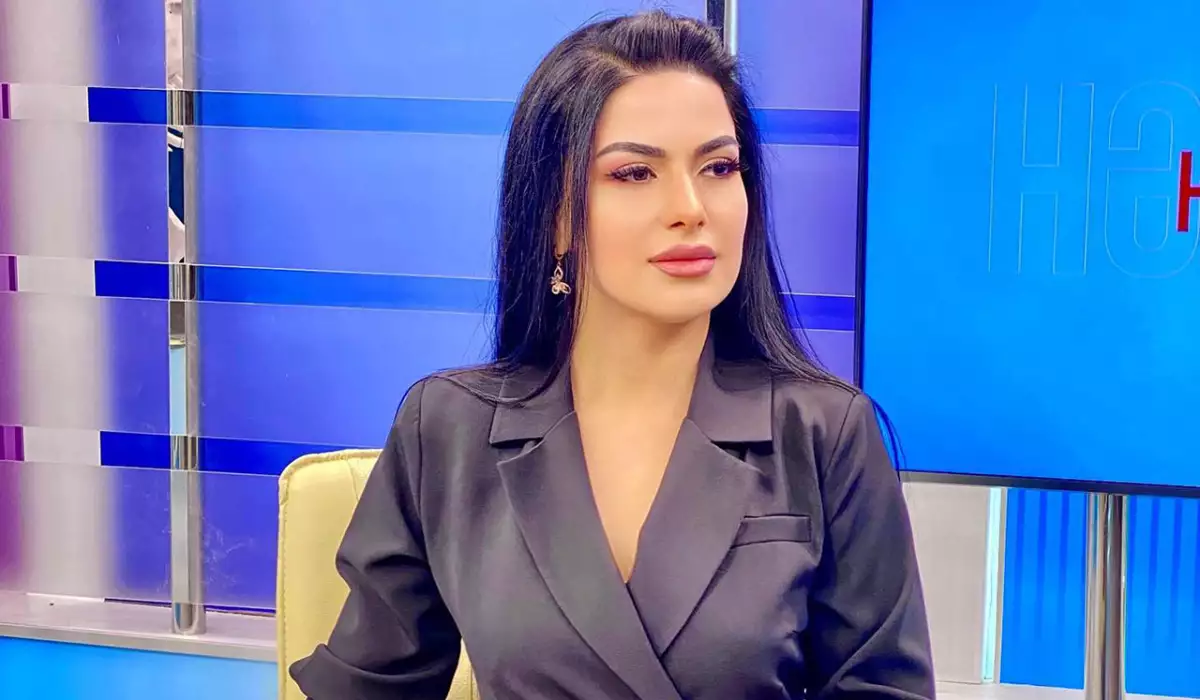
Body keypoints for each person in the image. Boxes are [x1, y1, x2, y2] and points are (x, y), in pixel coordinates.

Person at [292, 11, 935, 700]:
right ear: (556, 217)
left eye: (719, 167)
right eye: (634, 173)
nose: (691, 207)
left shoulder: (827, 433)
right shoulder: (447, 429)